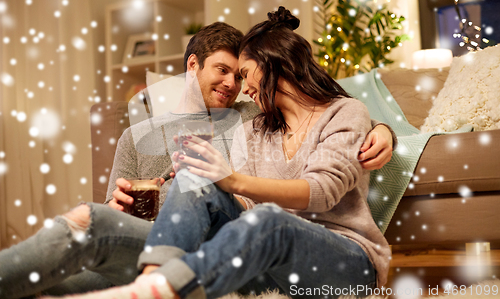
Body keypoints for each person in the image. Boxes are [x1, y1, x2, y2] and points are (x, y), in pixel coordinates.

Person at [0, 21, 394, 298]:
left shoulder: (247, 114)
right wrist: (118, 207)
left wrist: (383, 130)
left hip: (268, 247)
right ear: (193, 65)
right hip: (179, 246)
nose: (236, 85)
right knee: (90, 219)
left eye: (241, 76)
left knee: (262, 217)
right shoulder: (141, 136)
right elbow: (240, 205)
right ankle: (152, 281)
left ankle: (158, 285)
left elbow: (328, 118)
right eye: (225, 71)